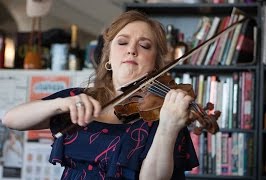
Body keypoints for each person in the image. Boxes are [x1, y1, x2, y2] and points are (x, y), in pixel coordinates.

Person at [2, 10, 199, 179]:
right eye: (122, 43)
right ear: (109, 58)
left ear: (156, 63)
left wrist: (168, 126)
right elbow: (11, 119)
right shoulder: (78, 99)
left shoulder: (166, 113)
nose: (131, 50)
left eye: (144, 45)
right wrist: (60, 104)